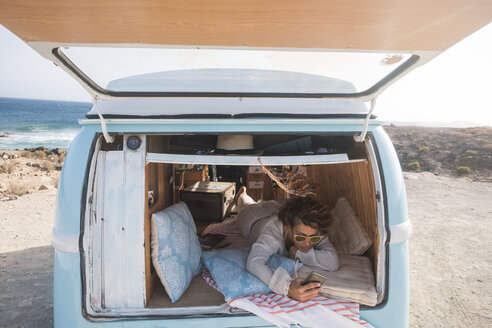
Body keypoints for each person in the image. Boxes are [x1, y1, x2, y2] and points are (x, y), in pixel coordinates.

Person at [234, 184, 338, 302]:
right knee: (246, 205)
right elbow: (254, 263)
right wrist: (287, 287)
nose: (307, 244)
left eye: (313, 238)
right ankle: (242, 194)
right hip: (251, 218)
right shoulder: (271, 234)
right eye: (301, 237)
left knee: (270, 202)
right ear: (289, 228)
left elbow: (333, 262)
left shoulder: (311, 228)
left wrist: (299, 253)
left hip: (275, 208)